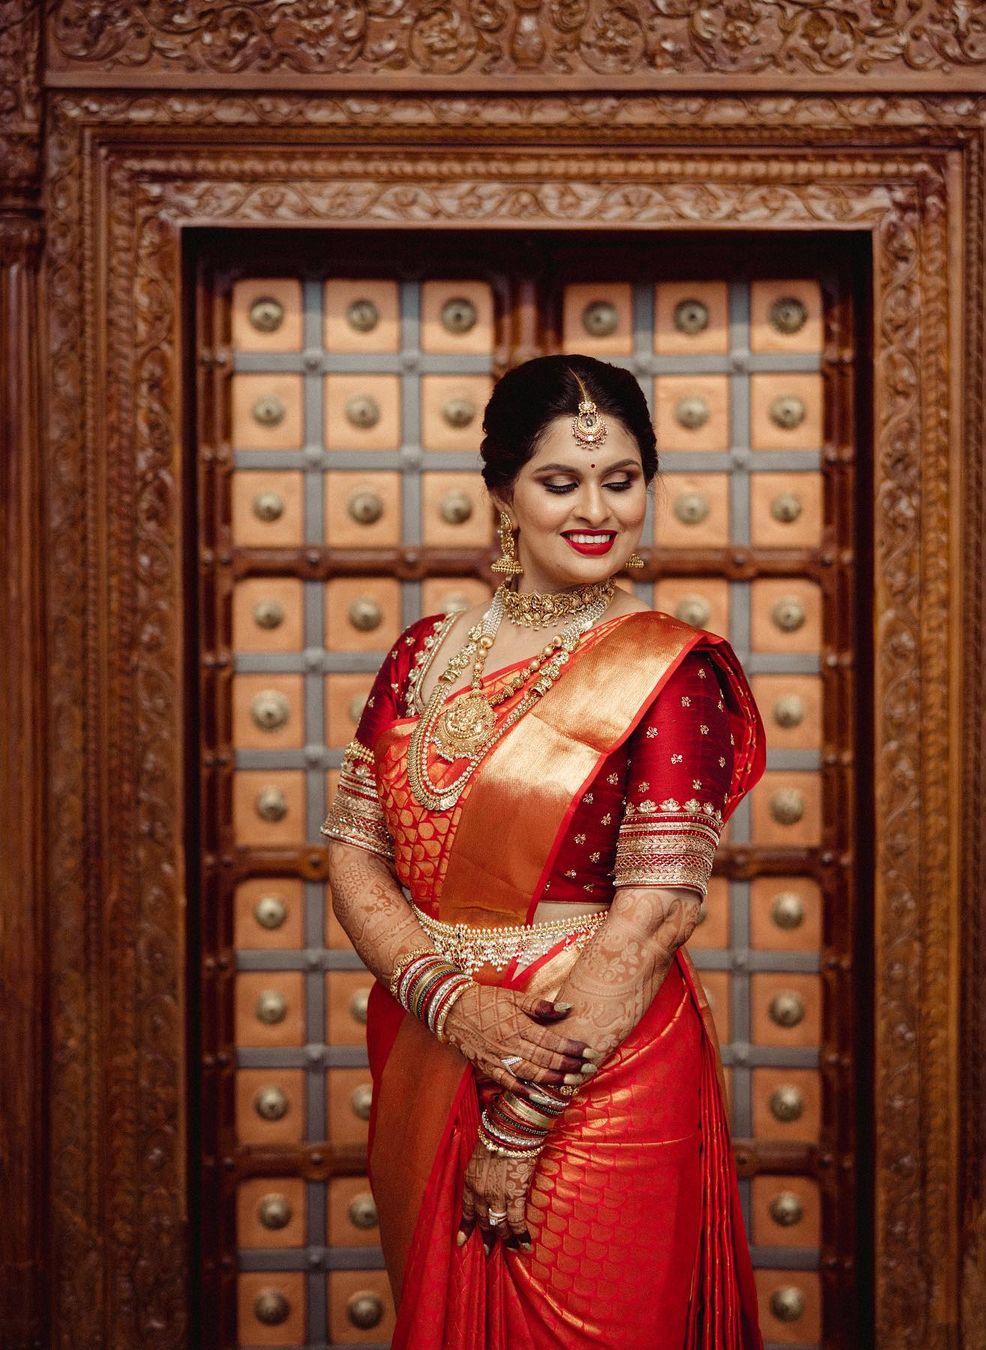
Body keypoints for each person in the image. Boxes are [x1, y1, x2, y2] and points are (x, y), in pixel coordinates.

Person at [323, 354, 766, 1348]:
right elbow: (355, 856)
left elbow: (655, 917)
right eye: (560, 482)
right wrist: (451, 1002)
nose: (595, 507)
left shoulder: (669, 670)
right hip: (433, 1040)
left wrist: (517, 1124)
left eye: (621, 479)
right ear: (502, 495)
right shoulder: (421, 652)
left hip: (596, 1064)